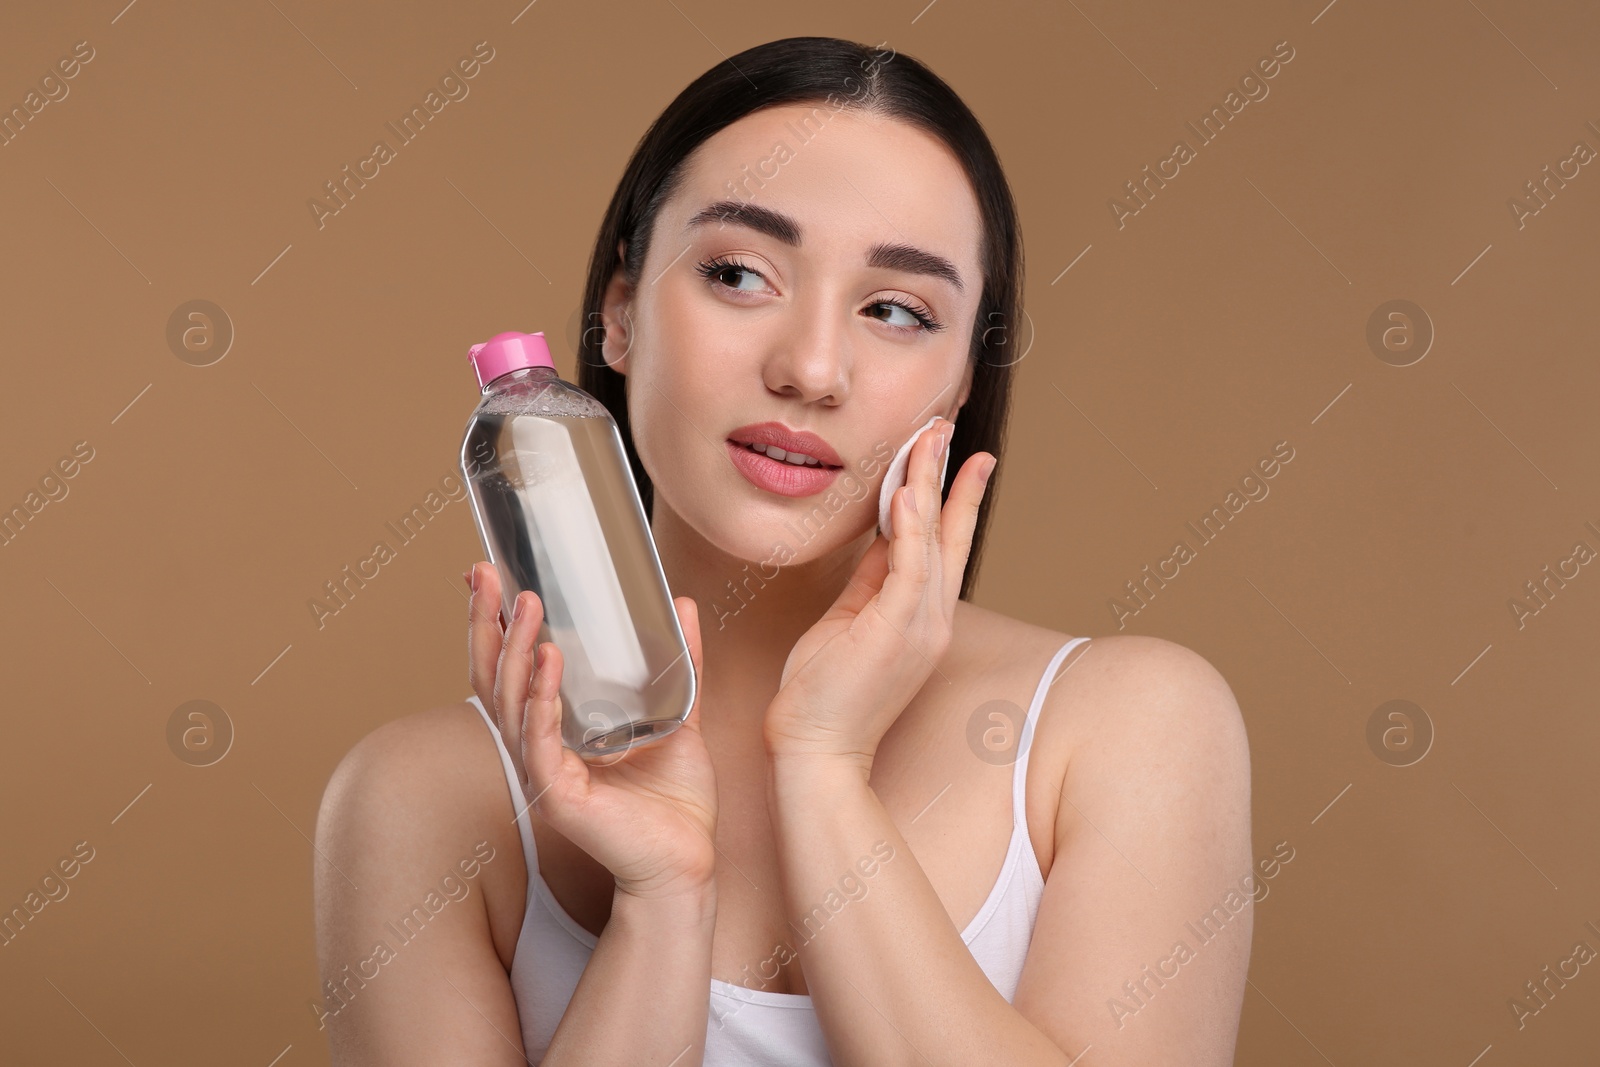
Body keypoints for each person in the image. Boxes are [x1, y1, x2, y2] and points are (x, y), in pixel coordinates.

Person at [313, 35, 1252, 1066]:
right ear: (619, 312)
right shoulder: (423, 801)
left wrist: (822, 768)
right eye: (739, 273)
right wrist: (663, 896)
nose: (810, 368)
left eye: (896, 309)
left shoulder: (1125, 728)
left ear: (960, 385)